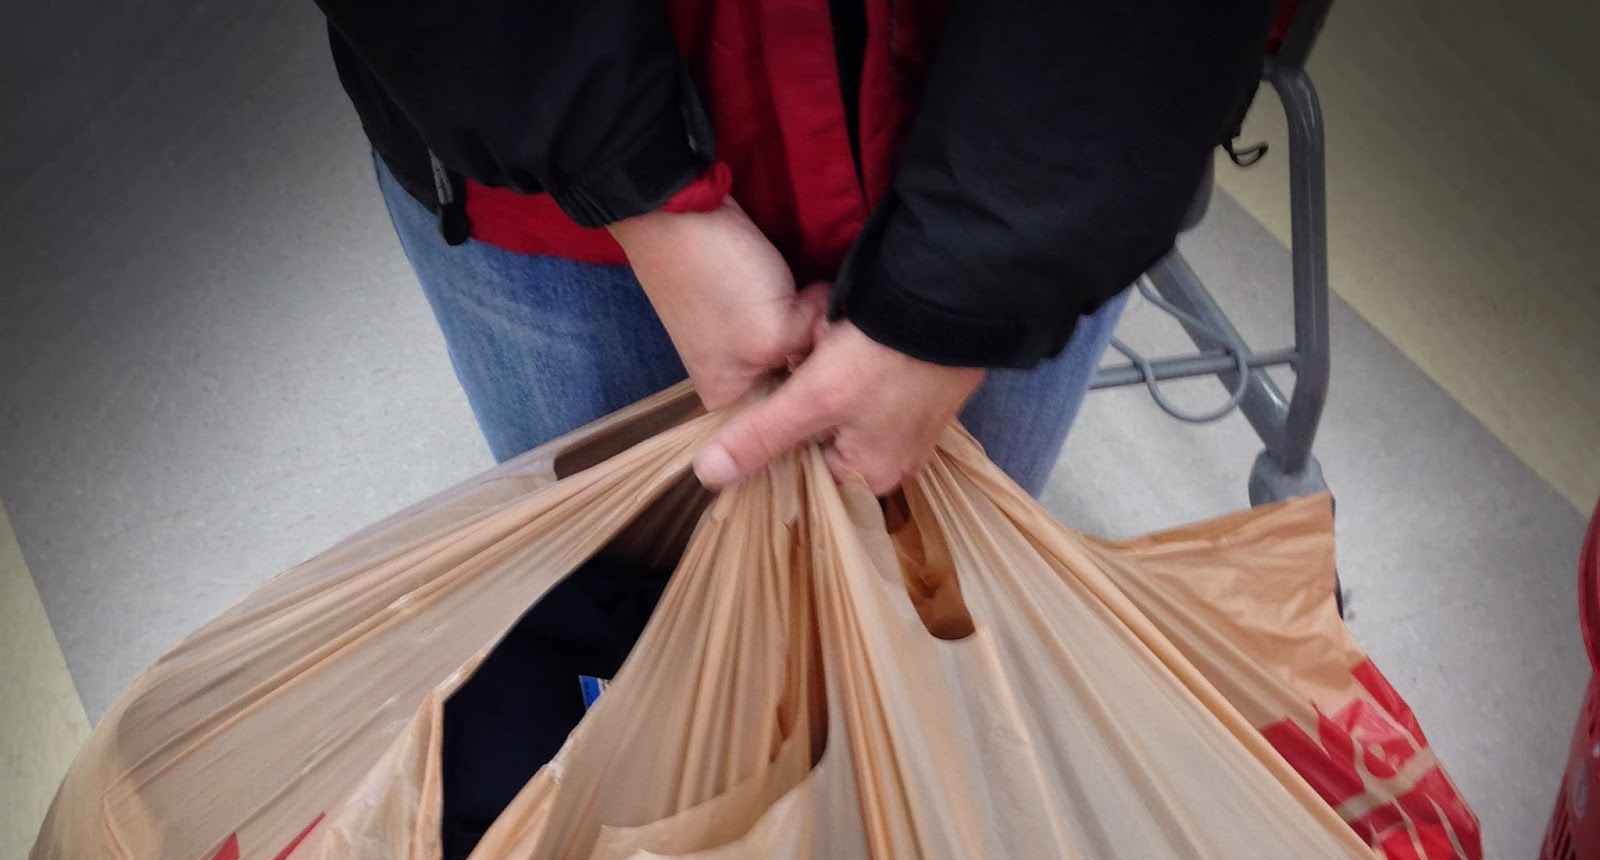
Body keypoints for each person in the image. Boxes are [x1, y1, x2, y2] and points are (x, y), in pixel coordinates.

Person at [316, 1, 1280, 497]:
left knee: (933, 633)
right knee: (631, 637)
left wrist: (976, 277)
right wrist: (631, 185)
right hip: (567, 217)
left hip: (1018, 182)